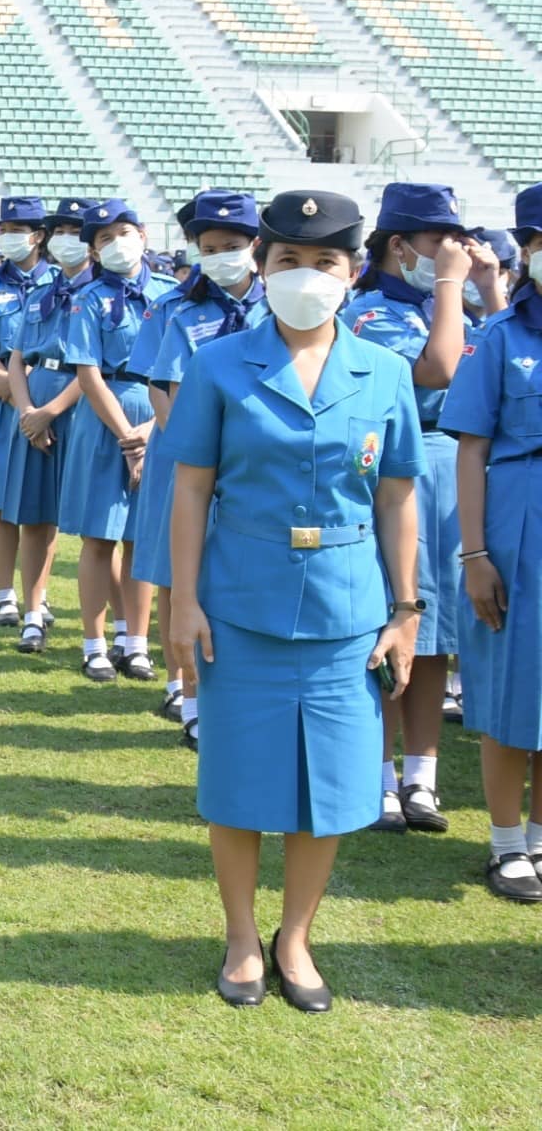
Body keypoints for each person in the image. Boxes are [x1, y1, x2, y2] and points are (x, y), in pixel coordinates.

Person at [165, 189, 424, 1012]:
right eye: (288, 260)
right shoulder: (218, 365)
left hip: (349, 612)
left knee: (330, 787)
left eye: (323, 262)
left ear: (352, 272)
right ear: (262, 265)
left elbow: (396, 495)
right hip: (240, 604)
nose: (305, 275)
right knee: (238, 780)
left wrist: (407, 609)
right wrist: (182, 600)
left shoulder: (385, 371)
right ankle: (242, 936)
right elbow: (191, 489)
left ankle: (296, 937)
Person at [340, 183, 501, 834]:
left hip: (453, 467)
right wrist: (452, 287)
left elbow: (496, 363)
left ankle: (421, 776)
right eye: (440, 241)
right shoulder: (370, 312)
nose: (452, 252)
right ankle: (379, 776)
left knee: (437, 635)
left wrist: (486, 288)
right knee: (390, 624)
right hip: (396, 469)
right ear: (400, 246)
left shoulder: (450, 303)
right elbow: (439, 370)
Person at [132, 192, 265, 748]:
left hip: (260, 465)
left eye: (232, 246)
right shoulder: (181, 311)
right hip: (190, 461)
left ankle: (244, 692)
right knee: (177, 572)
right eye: (209, 248)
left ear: (255, 245)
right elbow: (162, 389)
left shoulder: (282, 308)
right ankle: (186, 693)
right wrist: (196, 450)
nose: (221, 257)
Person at [445, 192, 542, 901]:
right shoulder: (502, 337)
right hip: (518, 523)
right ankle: (507, 843)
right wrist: (476, 554)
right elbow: (472, 448)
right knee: (512, 689)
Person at [61, 199, 177, 683]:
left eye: (124, 233)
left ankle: (137, 643)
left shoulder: (170, 295)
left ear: (144, 235)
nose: (116, 244)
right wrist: (128, 437)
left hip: (161, 416)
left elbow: (177, 371)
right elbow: (87, 373)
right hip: (102, 418)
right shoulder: (87, 298)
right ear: (93, 250)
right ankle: (94, 645)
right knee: (98, 537)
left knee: (141, 538)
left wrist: (149, 433)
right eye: (104, 239)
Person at [0, 198, 58, 631]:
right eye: (3, 229)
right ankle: (5, 596)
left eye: (16, 229)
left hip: (44, 402)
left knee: (42, 507)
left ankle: (40, 594)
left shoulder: (59, 283)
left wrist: (25, 380)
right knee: (0, 503)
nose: (7, 237)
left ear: (38, 236)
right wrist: (1, 376)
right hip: (2, 404)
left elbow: (63, 341)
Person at [0, 205, 91, 655]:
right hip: (36, 401)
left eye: (77, 231)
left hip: (86, 404)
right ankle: (33, 615)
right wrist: (28, 412)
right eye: (60, 231)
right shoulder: (42, 293)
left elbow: (96, 368)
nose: (66, 239)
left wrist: (50, 411)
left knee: (100, 530)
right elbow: (18, 358)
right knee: (35, 518)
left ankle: (115, 632)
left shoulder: (103, 293)